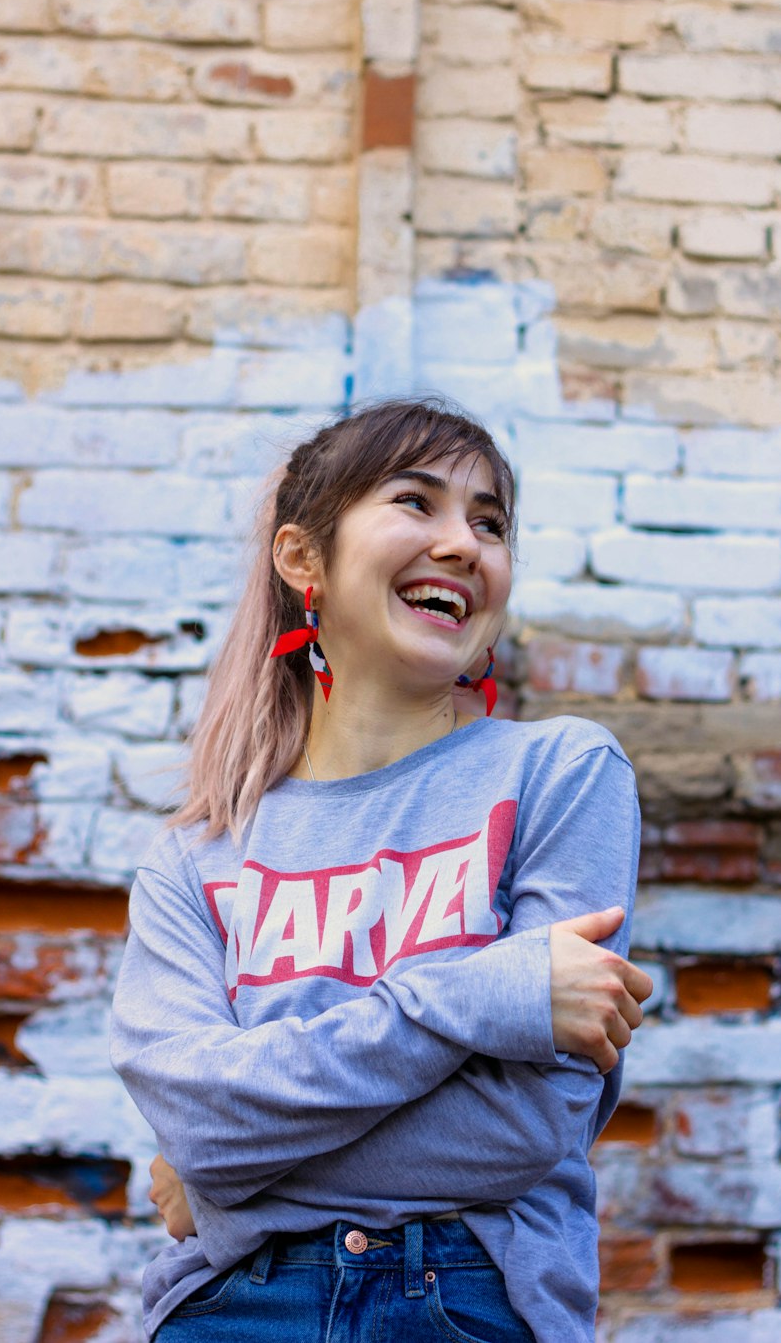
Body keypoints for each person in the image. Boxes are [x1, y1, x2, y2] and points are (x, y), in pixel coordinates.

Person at [109, 397, 653, 1343]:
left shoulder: (560, 775)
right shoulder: (196, 860)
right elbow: (199, 1118)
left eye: (490, 523)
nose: (463, 544)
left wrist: (227, 1179)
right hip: (233, 1307)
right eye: (418, 502)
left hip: (469, 1301)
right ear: (301, 559)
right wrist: (484, 996)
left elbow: (527, 1126)